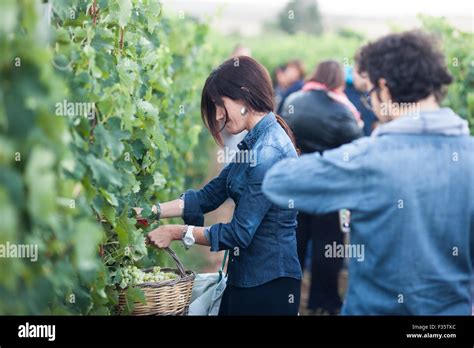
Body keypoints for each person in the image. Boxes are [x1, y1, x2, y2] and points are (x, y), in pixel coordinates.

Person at [263, 30, 473, 315]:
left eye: (370, 93)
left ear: (384, 88)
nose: (371, 103)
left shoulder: (369, 158)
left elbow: (279, 181)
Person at [144, 56, 302, 315]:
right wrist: (152, 212)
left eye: (220, 104)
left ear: (244, 96)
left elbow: (239, 234)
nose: (218, 115)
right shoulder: (253, 142)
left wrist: (178, 232)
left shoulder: (267, 152)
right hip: (246, 278)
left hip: (268, 286)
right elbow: (210, 195)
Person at [280, 60, 362, 315]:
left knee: (295, 240)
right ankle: (323, 301)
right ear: (337, 81)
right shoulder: (342, 110)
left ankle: (287, 296)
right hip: (330, 190)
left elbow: (281, 134)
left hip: (296, 184)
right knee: (329, 247)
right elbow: (356, 151)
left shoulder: (292, 99)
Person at [344, 63, 378, 136]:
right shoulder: (341, 90)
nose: (368, 82)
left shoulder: (371, 91)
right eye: (365, 77)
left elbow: (374, 122)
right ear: (355, 71)